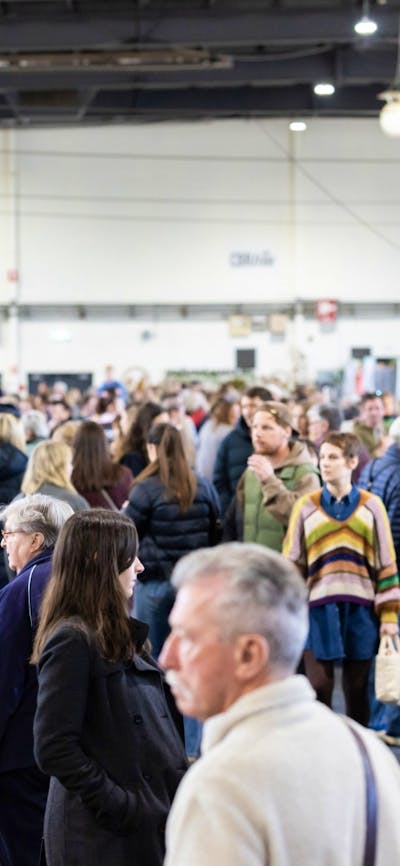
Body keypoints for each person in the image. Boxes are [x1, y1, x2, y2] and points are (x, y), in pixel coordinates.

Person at [160, 543, 400, 866]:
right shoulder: (369, 750)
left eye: (186, 637)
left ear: (249, 655)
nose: (166, 658)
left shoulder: (220, 789)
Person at [32, 509, 187, 866]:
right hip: (102, 839)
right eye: (130, 556)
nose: (140, 567)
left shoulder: (120, 633)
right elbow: (54, 746)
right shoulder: (72, 639)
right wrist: (123, 805)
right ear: (100, 560)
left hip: (140, 829)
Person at [283, 432, 400, 725]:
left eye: (333, 457)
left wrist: (389, 618)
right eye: (322, 457)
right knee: (319, 687)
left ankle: (356, 757)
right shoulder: (306, 506)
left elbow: (386, 565)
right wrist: (288, 610)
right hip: (316, 609)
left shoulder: (372, 506)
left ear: (351, 462)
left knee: (356, 691)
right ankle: (320, 757)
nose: (326, 464)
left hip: (361, 611)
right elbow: (291, 564)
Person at [0, 495, 73, 866]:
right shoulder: (77, 580)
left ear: (35, 541)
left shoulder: (21, 590)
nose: (3, 542)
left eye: (8, 533)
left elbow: (5, 679)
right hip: (69, 742)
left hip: (22, 749)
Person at [124, 422, 220, 658]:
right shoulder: (202, 484)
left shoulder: (145, 489)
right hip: (193, 580)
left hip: (155, 580)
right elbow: (216, 528)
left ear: (152, 449)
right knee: (190, 655)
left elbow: (127, 532)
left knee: (150, 657)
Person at [224, 401, 320, 550]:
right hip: (251, 564)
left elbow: (303, 520)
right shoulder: (252, 470)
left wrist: (269, 480)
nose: (258, 433)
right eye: (254, 427)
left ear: (287, 432)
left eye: (267, 427)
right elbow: (235, 521)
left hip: (285, 568)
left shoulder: (306, 474)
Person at [359, 416, 400, 744]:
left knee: (383, 646)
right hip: (394, 570)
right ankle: (392, 723)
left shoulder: (374, 467)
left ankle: (377, 720)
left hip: (374, 568)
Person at [213, 385, 272, 516]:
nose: (247, 412)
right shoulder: (230, 441)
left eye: (253, 406)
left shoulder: (279, 441)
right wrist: (229, 510)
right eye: (244, 406)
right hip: (239, 515)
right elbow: (219, 481)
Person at [71, 419, 133, 508]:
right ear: (104, 444)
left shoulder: (73, 479)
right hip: (118, 520)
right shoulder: (124, 474)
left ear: (76, 447)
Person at [17, 439, 89, 513]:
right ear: (60, 467)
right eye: (69, 463)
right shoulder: (75, 502)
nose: (72, 467)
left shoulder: (18, 501)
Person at [196, 396, 240, 482]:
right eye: (234, 416)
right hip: (216, 478)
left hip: (201, 474)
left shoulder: (208, 424)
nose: (237, 419)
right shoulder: (229, 432)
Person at [353, 392, 386, 457]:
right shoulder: (357, 434)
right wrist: (381, 449)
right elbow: (360, 461)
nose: (374, 413)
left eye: (377, 408)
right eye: (370, 409)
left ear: (383, 410)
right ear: (363, 411)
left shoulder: (388, 428)